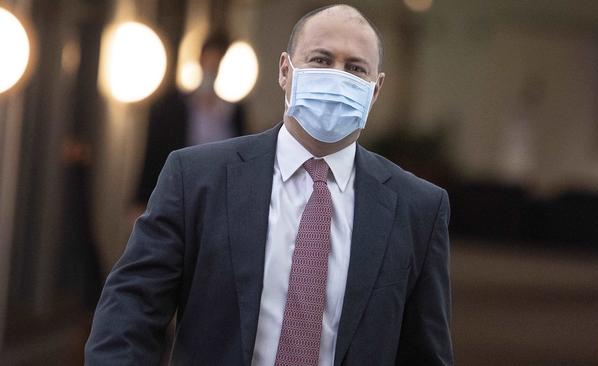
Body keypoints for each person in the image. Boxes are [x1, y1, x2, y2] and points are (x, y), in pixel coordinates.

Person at [86, 4, 452, 366]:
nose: (337, 76)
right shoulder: (196, 179)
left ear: (374, 90)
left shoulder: (417, 209)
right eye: (321, 60)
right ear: (284, 71)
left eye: (355, 68)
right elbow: (130, 310)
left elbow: (426, 353)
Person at [133, 31, 246, 210]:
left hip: (217, 199)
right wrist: (140, 200)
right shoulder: (172, 107)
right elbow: (154, 152)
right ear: (201, 60)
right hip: (177, 194)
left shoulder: (232, 113)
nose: (214, 66)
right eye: (211, 59)